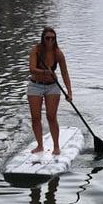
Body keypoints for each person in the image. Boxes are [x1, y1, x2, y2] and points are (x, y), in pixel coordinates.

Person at [27, 27, 73, 155]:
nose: (50, 41)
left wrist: (69, 92)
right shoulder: (36, 50)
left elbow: (64, 73)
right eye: (47, 38)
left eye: (53, 38)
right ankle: (40, 146)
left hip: (52, 86)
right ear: (43, 38)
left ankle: (56, 146)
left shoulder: (58, 53)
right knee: (36, 118)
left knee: (51, 117)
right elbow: (31, 68)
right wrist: (46, 72)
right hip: (35, 85)